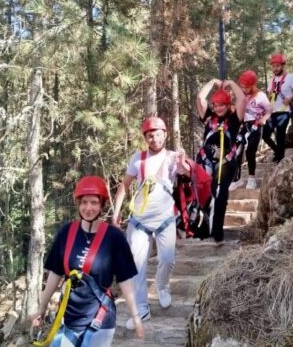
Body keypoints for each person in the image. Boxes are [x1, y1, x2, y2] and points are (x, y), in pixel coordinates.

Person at [31, 176, 143, 346]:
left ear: (101, 205)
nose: (88, 208)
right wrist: (42, 307)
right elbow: (55, 274)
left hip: (99, 320)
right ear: (78, 204)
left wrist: (136, 316)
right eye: (84, 202)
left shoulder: (114, 237)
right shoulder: (66, 233)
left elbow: (125, 280)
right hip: (69, 319)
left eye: (93, 202)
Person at [111, 117, 191, 330]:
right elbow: (124, 186)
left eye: (157, 134)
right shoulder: (138, 158)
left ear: (165, 134)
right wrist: (116, 213)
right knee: (136, 265)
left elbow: (188, 173)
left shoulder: (174, 157)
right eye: (149, 135)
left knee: (167, 258)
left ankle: (163, 286)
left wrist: (184, 162)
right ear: (145, 138)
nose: (154, 138)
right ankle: (141, 309)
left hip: (165, 218)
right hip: (139, 220)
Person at [195, 79, 247, 243]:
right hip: (206, 159)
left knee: (220, 194)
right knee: (204, 194)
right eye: (216, 105)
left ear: (228, 104)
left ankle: (217, 233)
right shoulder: (209, 118)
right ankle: (203, 228)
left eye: (222, 105)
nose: (218, 108)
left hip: (226, 162)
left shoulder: (234, 119)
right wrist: (212, 82)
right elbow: (200, 98)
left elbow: (242, 100)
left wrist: (231, 83)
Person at [230, 70, 271, 190]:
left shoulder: (260, 96)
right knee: (236, 150)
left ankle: (252, 178)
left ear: (252, 85)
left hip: (255, 125)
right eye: (242, 86)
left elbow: (269, 110)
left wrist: (264, 118)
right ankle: (236, 179)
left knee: (250, 152)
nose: (244, 89)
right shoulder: (241, 96)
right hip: (243, 126)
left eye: (246, 87)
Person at [263, 54, 293, 163]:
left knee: (280, 134)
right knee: (265, 135)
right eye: (274, 66)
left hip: (284, 111)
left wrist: (291, 98)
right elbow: (269, 95)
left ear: (282, 66)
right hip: (272, 112)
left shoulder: (290, 78)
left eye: (278, 66)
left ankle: (280, 158)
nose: (275, 68)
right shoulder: (271, 80)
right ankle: (277, 151)